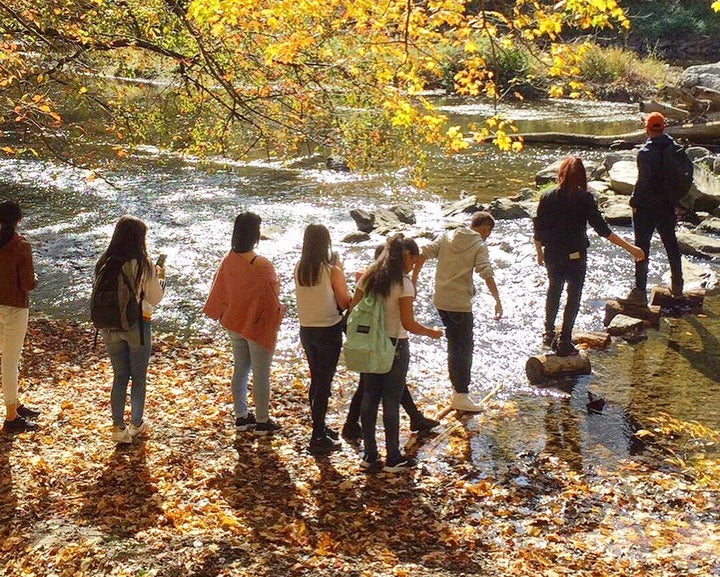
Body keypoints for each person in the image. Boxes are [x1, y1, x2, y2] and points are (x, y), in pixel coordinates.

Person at [533, 156, 645, 356]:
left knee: (554, 290)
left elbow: (538, 227)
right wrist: (631, 248)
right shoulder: (584, 198)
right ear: (582, 177)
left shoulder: (547, 196)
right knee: (573, 296)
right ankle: (565, 340)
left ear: (561, 174)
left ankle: (548, 332)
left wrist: (539, 252)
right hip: (575, 255)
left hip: (552, 253)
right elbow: (603, 230)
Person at [351, 235, 443, 472]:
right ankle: (393, 456)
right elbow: (409, 324)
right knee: (391, 400)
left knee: (369, 397)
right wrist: (431, 332)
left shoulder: (370, 276)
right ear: (407, 256)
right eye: (413, 259)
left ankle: (370, 454)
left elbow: (353, 309)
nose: (414, 263)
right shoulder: (403, 283)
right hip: (395, 345)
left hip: (369, 343)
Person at [204, 212, 285, 436]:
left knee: (240, 369)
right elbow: (272, 297)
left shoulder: (228, 260)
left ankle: (241, 416)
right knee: (261, 373)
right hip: (257, 326)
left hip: (234, 323)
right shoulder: (263, 265)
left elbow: (220, 290)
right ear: (256, 235)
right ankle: (262, 421)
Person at [414, 211, 502, 412]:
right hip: (460, 303)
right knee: (464, 347)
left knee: (454, 344)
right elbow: (486, 272)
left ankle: (457, 390)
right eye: (488, 232)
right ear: (485, 228)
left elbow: (422, 254)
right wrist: (497, 300)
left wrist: (414, 281)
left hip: (441, 300)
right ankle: (461, 393)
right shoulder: (479, 244)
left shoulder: (447, 236)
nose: (487, 236)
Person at [95, 216, 165, 443]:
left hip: (110, 325)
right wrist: (161, 279)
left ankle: (118, 427)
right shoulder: (144, 264)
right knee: (139, 376)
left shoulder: (104, 261)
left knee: (120, 375)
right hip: (138, 325)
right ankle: (136, 423)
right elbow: (155, 298)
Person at [295, 224, 351, 453]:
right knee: (323, 382)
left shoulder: (300, 267)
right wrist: (342, 272)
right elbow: (345, 303)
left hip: (307, 330)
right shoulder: (331, 271)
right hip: (328, 329)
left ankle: (320, 427)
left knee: (316, 379)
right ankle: (317, 435)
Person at [624, 112, 684, 306]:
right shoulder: (674, 149)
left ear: (647, 129)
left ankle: (640, 291)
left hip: (647, 208)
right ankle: (677, 287)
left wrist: (633, 202)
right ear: (664, 127)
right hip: (667, 205)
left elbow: (643, 183)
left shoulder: (644, 153)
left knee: (642, 248)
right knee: (671, 244)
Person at [0, 199, 39, 433]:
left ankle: (14, 403)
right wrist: (36, 281)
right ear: (19, 220)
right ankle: (11, 416)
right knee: (10, 361)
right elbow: (27, 283)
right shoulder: (20, 245)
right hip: (15, 308)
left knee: (8, 360)